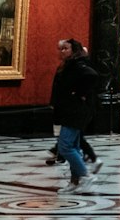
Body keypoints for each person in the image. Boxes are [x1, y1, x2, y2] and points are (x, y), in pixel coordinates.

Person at [49, 37, 100, 194]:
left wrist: (78, 93)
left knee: (65, 147)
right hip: (69, 111)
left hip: (75, 112)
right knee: (74, 147)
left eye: (66, 49)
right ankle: (74, 182)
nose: (62, 51)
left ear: (74, 51)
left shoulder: (77, 64)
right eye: (61, 49)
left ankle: (85, 175)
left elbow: (92, 75)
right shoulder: (68, 65)